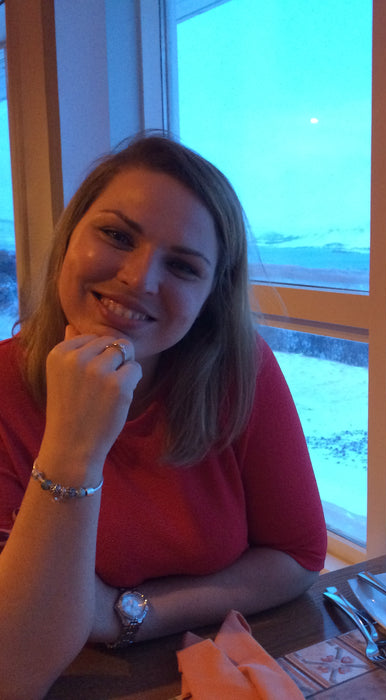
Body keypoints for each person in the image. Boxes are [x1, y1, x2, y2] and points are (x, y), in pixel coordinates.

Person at [0, 134, 327, 698]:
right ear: (70, 235)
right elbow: (14, 672)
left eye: (182, 265)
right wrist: (74, 448)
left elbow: (297, 556)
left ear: (210, 297)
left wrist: (125, 613)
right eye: (117, 235)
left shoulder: (241, 372)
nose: (140, 279)